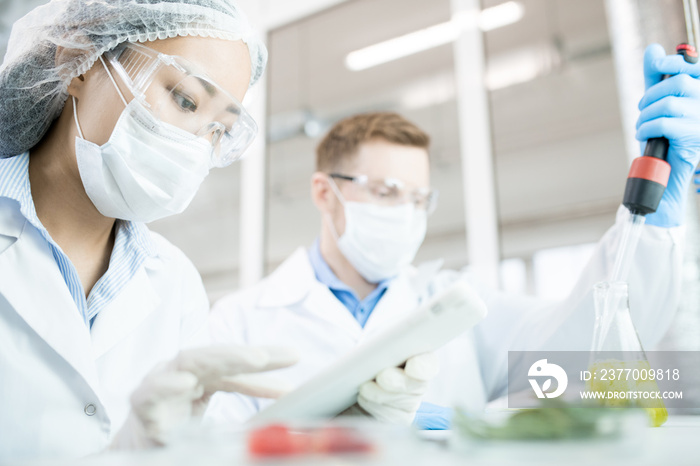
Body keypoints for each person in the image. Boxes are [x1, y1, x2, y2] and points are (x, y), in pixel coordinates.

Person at [0, 0, 429, 461]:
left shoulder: (176, 284)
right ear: (77, 63)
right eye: (185, 99)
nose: (194, 145)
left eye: (217, 130)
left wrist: (341, 439)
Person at [206, 44, 700, 429]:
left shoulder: (460, 307)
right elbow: (208, 451)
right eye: (387, 191)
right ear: (323, 192)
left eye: (419, 198)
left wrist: (650, 227)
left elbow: (586, 344)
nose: (407, 212)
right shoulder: (241, 322)